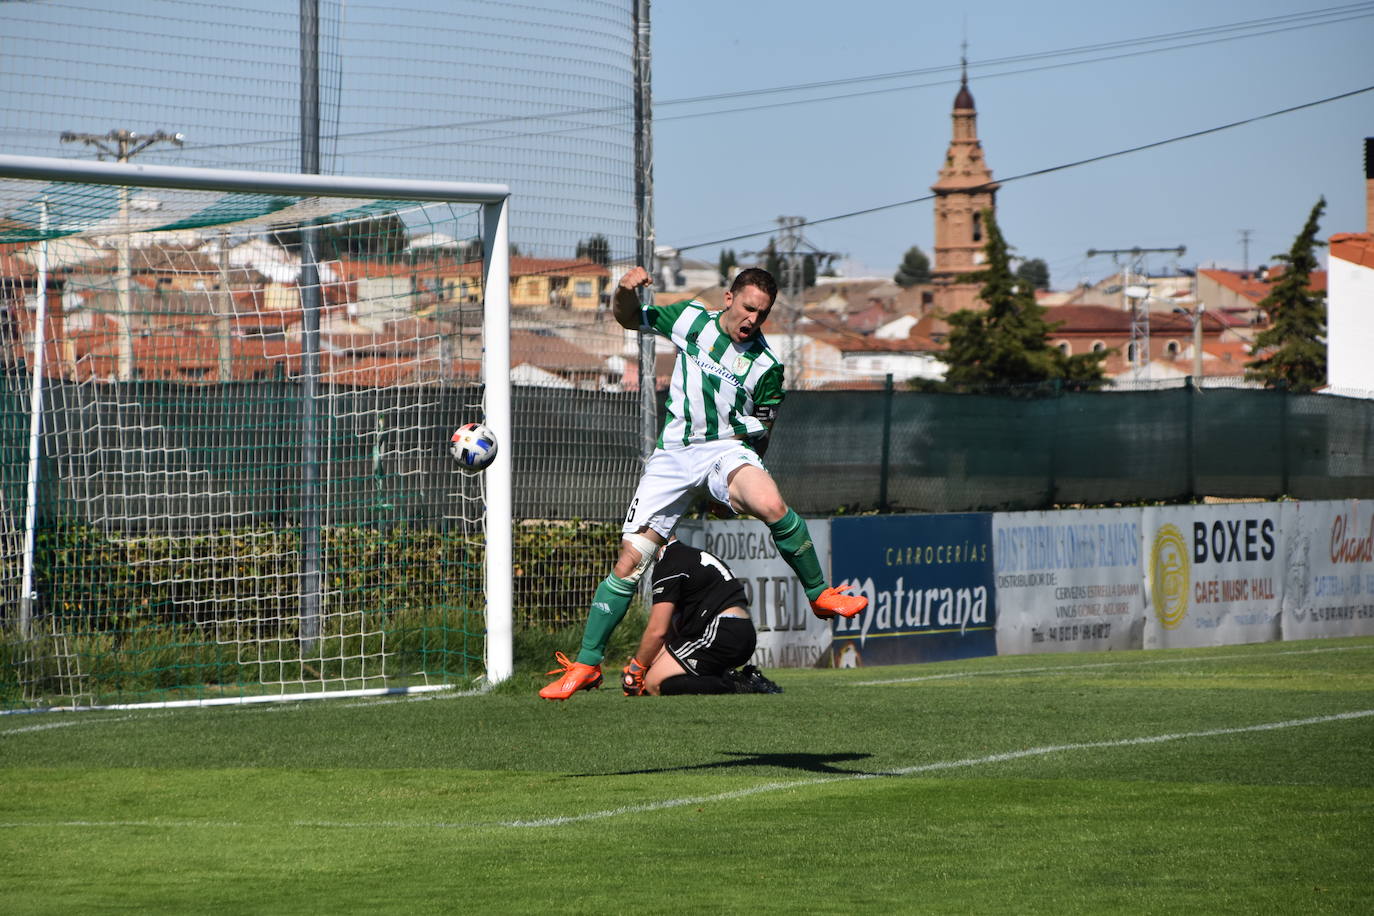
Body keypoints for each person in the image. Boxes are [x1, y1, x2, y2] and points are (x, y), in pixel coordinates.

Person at [540, 265, 866, 701]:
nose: (753, 319)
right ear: (728, 299)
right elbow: (627, 318)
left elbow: (762, 432)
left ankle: (820, 593)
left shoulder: (768, 366)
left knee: (769, 503)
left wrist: (734, 488)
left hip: (725, 451)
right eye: (748, 307)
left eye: (763, 314)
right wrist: (623, 290)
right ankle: (587, 663)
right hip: (673, 456)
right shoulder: (690, 318)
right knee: (630, 563)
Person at [620, 538, 782, 697]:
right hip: (737, 631)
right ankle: (737, 678)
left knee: (653, 683)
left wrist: (636, 668)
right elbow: (670, 635)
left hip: (720, 630)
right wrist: (647, 663)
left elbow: (657, 631)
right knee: (658, 676)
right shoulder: (688, 555)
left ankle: (742, 684)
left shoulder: (669, 562)